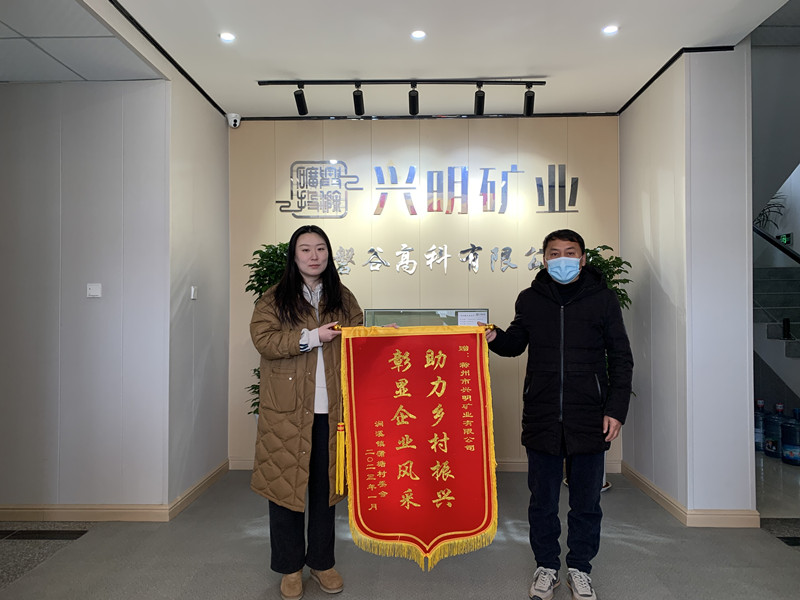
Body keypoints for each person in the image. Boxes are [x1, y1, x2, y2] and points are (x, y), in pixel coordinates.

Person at [484, 229, 633, 600]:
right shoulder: (530, 299)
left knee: (587, 503)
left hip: (590, 415)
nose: (562, 259)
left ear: (582, 258)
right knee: (542, 501)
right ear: (544, 259)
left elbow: (621, 357)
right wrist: (493, 336)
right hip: (543, 413)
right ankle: (546, 567)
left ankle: (580, 569)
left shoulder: (603, 299)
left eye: (570, 252)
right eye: (554, 253)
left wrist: (616, 409)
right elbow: (515, 344)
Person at [250, 225, 363, 600]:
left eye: (320, 249)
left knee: (325, 492)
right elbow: (264, 340)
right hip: (287, 413)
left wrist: (382, 338)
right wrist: (314, 337)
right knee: (285, 491)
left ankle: (322, 563)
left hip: (332, 413)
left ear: (329, 254)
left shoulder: (342, 297)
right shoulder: (275, 298)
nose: (314, 256)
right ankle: (290, 568)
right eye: (305, 249)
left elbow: (358, 337)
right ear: (294, 255)